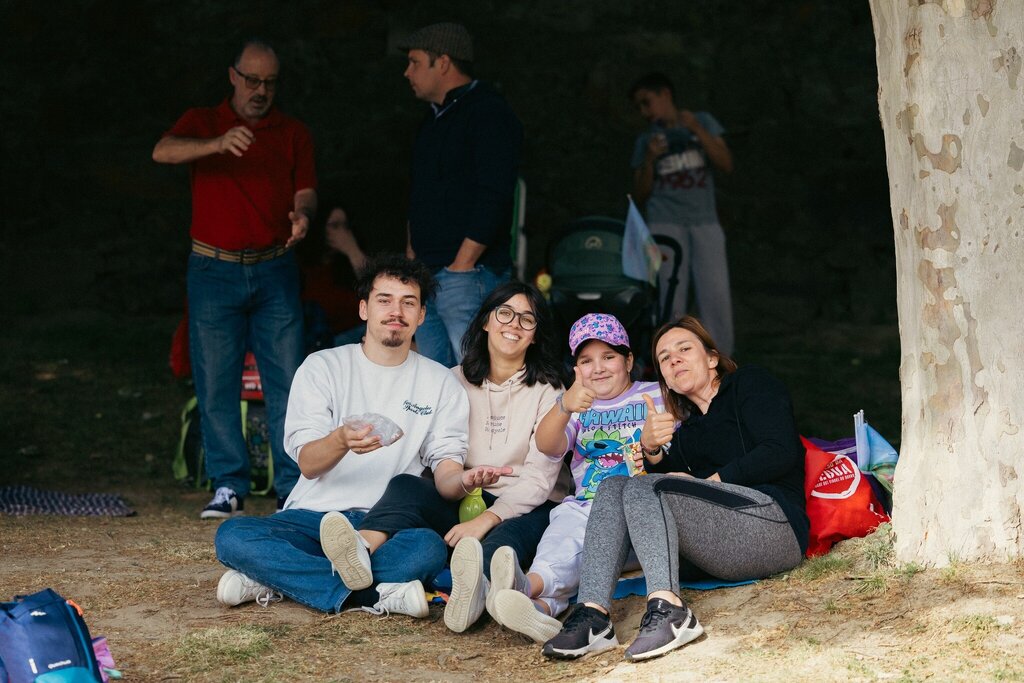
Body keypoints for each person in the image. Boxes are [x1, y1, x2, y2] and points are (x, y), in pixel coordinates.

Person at [212, 254, 508, 617]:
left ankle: (276, 579)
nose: (396, 311)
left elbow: (446, 466)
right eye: (385, 300)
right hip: (313, 518)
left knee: (426, 548)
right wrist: (340, 440)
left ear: (421, 316)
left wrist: (463, 480)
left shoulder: (441, 381)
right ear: (364, 308)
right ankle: (367, 595)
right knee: (232, 536)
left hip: (384, 526)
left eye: (408, 303)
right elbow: (308, 464)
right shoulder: (322, 367)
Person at [540, 316, 808, 662]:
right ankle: (593, 616)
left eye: (684, 349)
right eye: (665, 358)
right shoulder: (690, 429)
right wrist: (650, 448)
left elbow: (780, 450)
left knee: (644, 488)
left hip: (774, 527)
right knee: (615, 485)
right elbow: (662, 486)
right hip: (720, 546)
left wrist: (709, 482)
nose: (674, 360)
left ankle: (670, 610)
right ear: (663, 376)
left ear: (711, 358)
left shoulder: (750, 383)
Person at [319, 281, 571, 632]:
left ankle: (471, 593)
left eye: (527, 319)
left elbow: (540, 480)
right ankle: (360, 550)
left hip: (526, 505)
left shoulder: (550, 390)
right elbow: (435, 454)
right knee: (406, 486)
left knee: (500, 546)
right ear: (486, 321)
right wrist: (461, 481)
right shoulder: (452, 380)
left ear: (535, 335)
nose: (514, 324)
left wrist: (487, 520)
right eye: (505, 313)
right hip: (465, 495)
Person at [152, 39, 316, 517]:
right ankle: (228, 486)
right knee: (215, 381)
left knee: (287, 383)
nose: (260, 91)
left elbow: (306, 190)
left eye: (270, 83)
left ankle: (292, 489)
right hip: (213, 268)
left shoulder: (292, 131)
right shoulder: (203, 120)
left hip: (275, 267)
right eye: (252, 80)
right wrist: (217, 143)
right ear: (233, 76)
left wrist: (303, 215)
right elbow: (162, 151)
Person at [489, 313, 669, 644]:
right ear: (576, 370)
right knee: (563, 535)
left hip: (641, 513)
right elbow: (547, 445)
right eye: (586, 361)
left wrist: (654, 442)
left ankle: (522, 586)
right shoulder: (578, 405)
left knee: (576, 550)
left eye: (609, 357)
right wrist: (564, 406)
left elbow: (677, 453)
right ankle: (539, 608)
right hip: (587, 506)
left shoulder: (655, 393)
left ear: (629, 361)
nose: (598, 368)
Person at [401, 21, 523, 367]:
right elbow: (419, 192)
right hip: (428, 273)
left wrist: (463, 264)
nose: (407, 72)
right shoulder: (431, 120)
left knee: (476, 376)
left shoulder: (488, 113)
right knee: (436, 381)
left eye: (414, 62)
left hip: (468, 276)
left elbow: (495, 192)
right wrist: (413, 258)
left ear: (442, 63)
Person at [629, 72, 735, 355]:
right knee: (669, 295)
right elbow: (640, 194)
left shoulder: (702, 121)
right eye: (639, 107)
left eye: (646, 102)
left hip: (704, 220)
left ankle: (721, 360)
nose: (644, 112)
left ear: (665, 94)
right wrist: (650, 158)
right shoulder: (646, 139)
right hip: (664, 221)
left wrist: (697, 129)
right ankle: (671, 357)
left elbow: (726, 163)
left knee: (715, 295)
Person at [296, 205, 368, 351]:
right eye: (335, 226)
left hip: (358, 336)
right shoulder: (304, 266)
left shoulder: (348, 263)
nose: (342, 233)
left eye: (345, 226)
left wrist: (351, 249)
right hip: (322, 342)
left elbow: (375, 286)